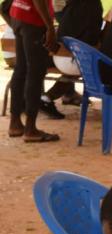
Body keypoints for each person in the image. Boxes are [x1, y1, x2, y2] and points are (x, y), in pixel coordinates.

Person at [7, 0, 60, 142]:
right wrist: (50, 27)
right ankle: (30, 129)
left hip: (18, 13)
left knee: (21, 69)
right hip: (32, 19)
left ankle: (15, 123)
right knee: (35, 73)